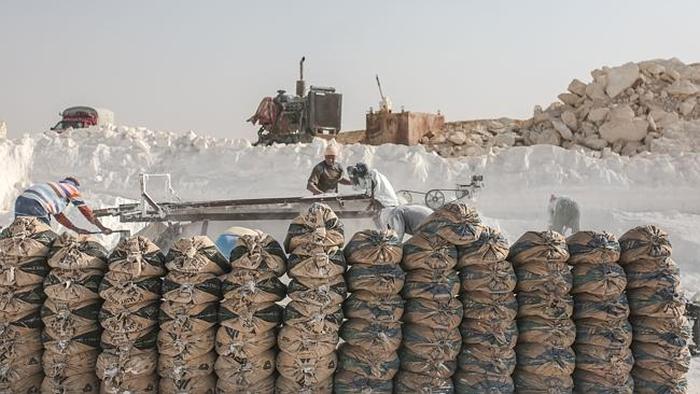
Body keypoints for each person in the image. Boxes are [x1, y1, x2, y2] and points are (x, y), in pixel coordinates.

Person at [347, 162, 433, 240]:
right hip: (431, 223)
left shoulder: (394, 214)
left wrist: (392, 243)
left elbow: (397, 236)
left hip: (387, 202)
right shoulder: (399, 212)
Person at [14, 177, 112, 235]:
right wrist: (102, 228)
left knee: (20, 229)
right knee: (43, 234)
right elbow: (86, 211)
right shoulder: (72, 189)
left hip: (20, 202)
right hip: (37, 204)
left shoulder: (54, 188)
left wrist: (76, 229)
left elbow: (59, 216)